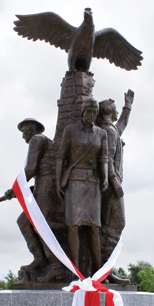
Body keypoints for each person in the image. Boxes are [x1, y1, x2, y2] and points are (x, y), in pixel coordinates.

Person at [5, 118, 65, 282]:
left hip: (47, 189)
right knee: (24, 221)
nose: (23, 136)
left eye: (24, 132)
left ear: (31, 130)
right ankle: (40, 259)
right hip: (43, 187)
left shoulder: (37, 140)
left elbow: (30, 168)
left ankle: (56, 266)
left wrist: (14, 189)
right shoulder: (44, 141)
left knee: (40, 224)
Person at [56, 98, 108, 275]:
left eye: (95, 112)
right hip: (74, 180)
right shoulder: (70, 130)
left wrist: (106, 177)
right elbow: (61, 155)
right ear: (83, 112)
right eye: (89, 111)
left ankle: (98, 271)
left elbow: (104, 159)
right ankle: (75, 270)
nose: (92, 115)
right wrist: (58, 180)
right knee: (73, 224)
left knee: (94, 226)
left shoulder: (101, 134)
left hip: (93, 182)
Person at [96, 90, 134, 284]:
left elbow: (122, 125)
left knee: (110, 227)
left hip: (111, 185)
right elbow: (107, 159)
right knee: (115, 224)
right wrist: (115, 182)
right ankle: (103, 271)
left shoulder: (110, 130)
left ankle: (105, 270)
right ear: (107, 110)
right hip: (110, 187)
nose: (117, 111)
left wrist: (128, 106)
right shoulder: (108, 132)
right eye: (116, 108)